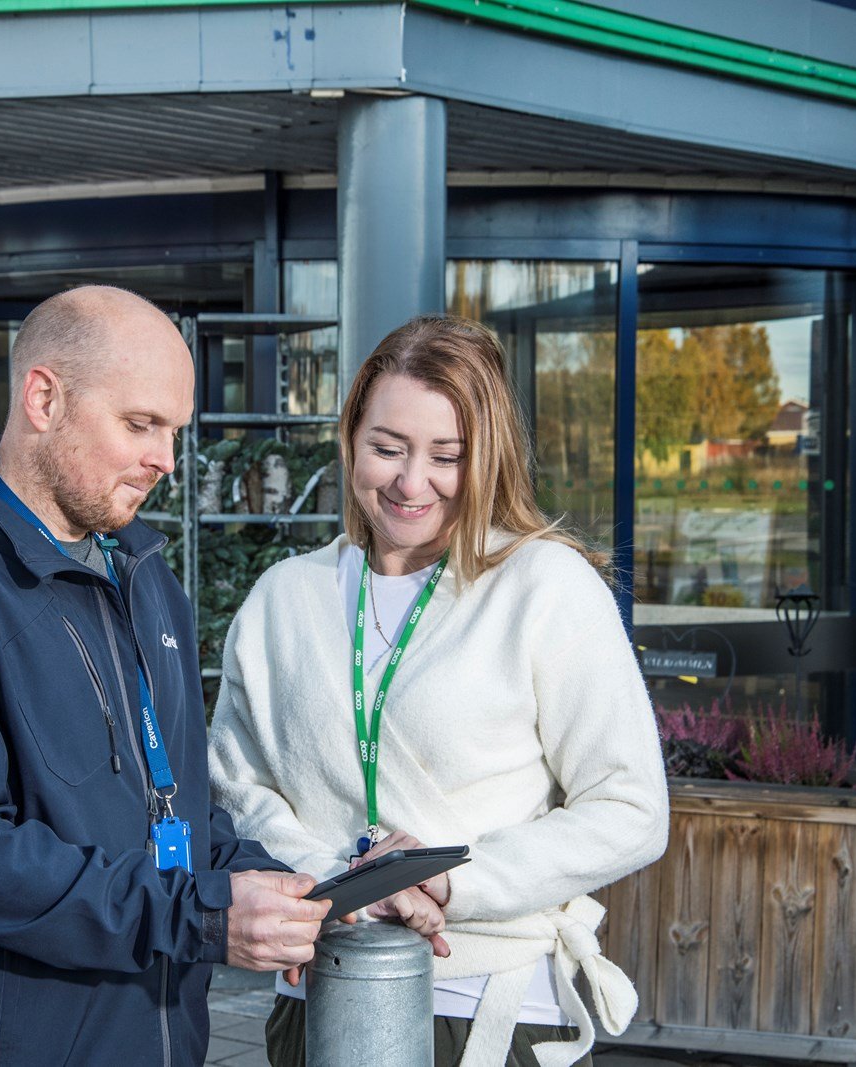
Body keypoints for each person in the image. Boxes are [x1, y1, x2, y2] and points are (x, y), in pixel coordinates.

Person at [0, 285, 331, 1066]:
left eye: (172, 431)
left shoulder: (143, 571)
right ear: (43, 398)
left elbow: (177, 808)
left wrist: (300, 889)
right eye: (140, 424)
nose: (165, 459)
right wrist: (197, 916)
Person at [208, 315, 670, 1067]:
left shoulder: (544, 587)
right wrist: (343, 881)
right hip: (319, 998)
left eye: (445, 456)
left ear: (485, 457)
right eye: (387, 447)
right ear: (351, 435)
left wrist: (448, 879)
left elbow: (632, 809)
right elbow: (233, 788)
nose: (409, 481)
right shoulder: (282, 599)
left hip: (492, 1007)